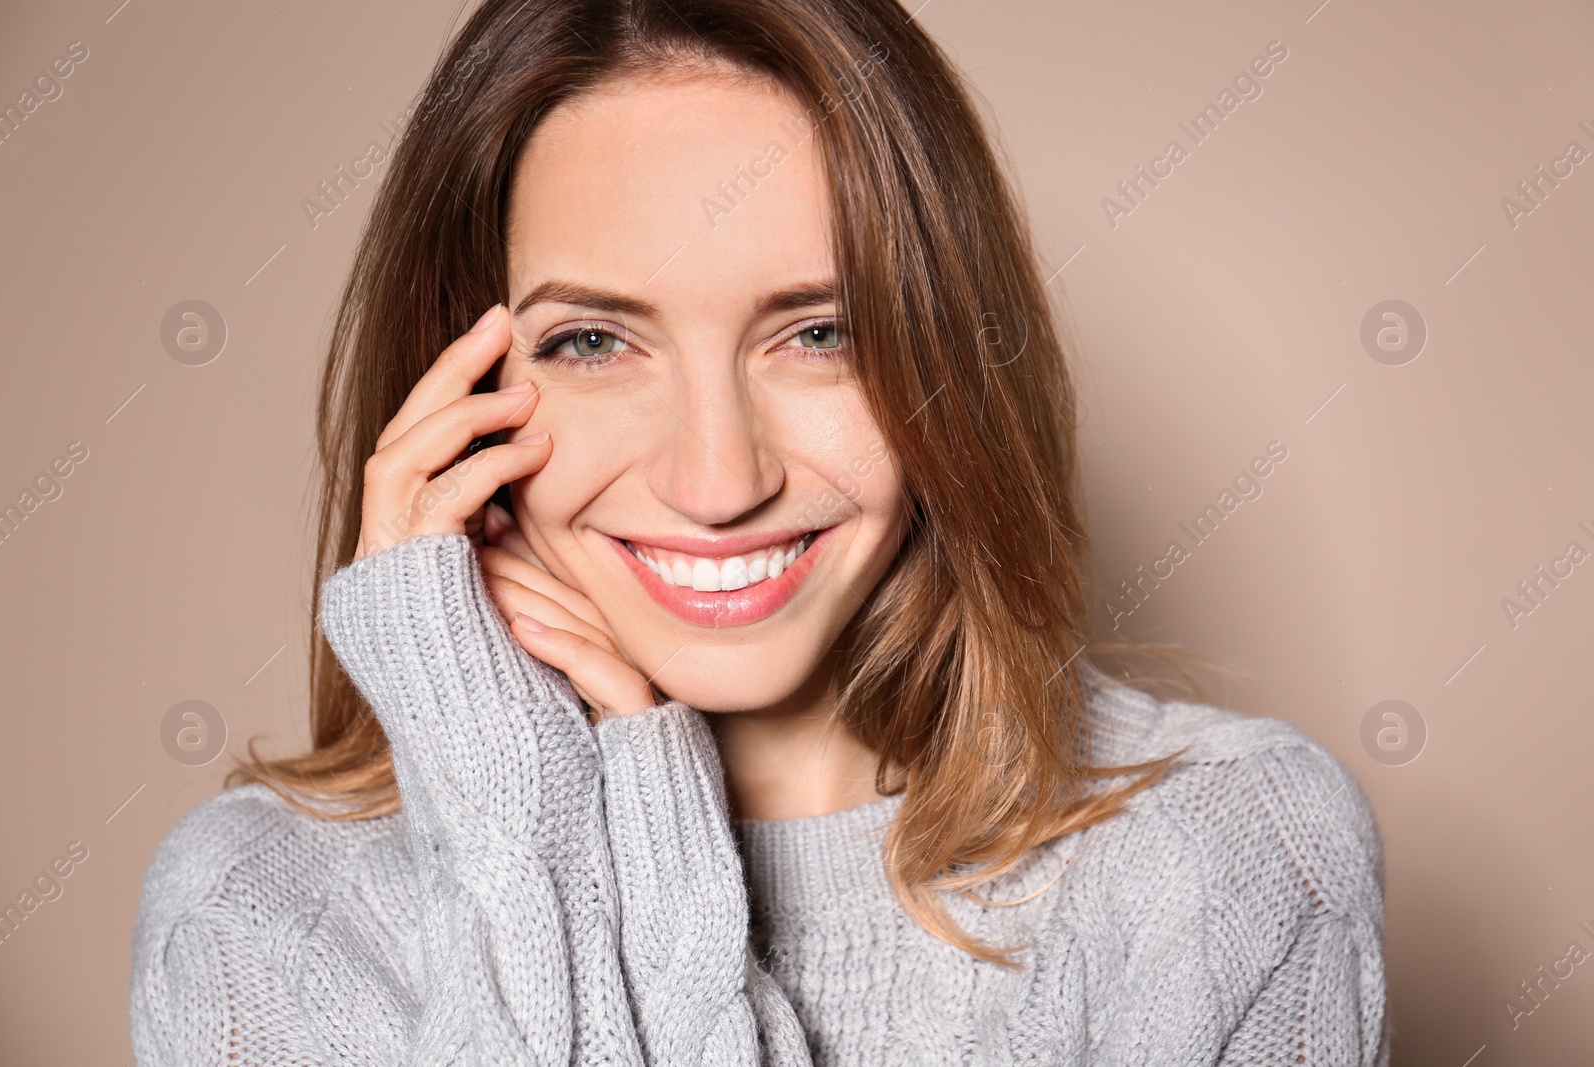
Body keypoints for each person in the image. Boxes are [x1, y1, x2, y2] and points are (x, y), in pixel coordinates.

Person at [128, 0, 1389, 1063]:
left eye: (817, 333)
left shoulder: (1226, 858)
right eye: (592, 341)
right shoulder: (261, 913)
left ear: (943, 358)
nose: (717, 477)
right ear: (448, 393)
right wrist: (518, 810)